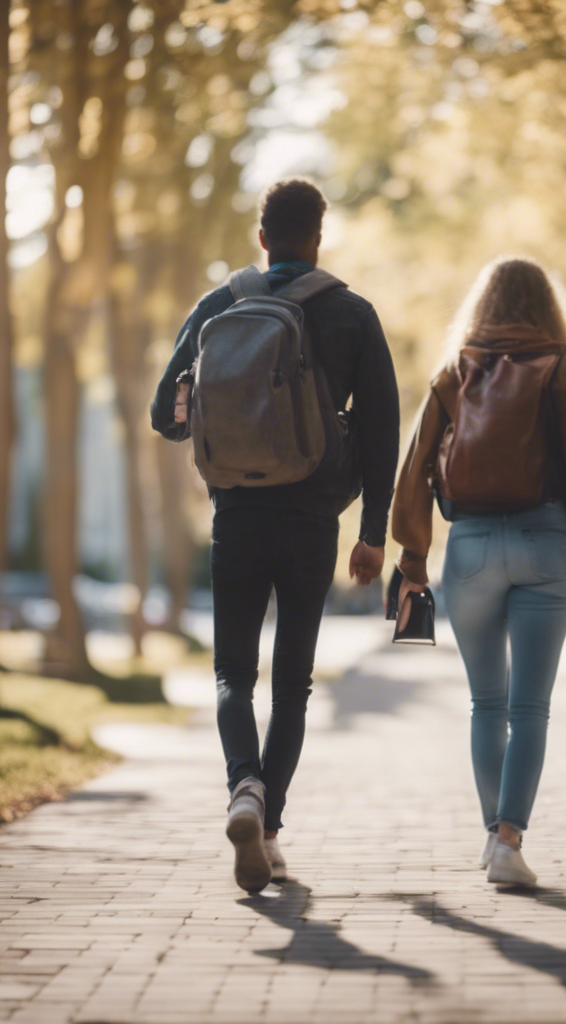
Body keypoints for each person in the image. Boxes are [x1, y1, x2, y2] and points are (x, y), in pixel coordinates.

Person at [151, 179, 400, 889]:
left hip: (235, 515)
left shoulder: (218, 306)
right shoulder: (352, 314)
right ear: (319, 238)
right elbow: (382, 432)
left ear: (261, 237)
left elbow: (162, 415)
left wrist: (210, 414)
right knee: (292, 683)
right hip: (313, 520)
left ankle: (243, 790)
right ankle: (271, 825)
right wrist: (373, 532)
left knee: (233, 673)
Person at [391, 256, 566, 887]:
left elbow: (412, 473)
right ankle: (509, 842)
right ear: (549, 308)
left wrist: (413, 557)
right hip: (546, 543)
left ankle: (493, 837)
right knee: (531, 708)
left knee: (485, 703)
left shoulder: (452, 371)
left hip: (467, 549)